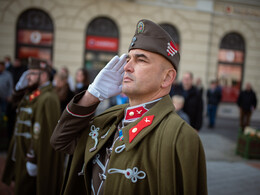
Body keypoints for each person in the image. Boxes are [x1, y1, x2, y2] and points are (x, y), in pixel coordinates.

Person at [51, 19, 207, 195]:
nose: (126, 67)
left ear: (167, 78)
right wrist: (92, 95)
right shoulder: (108, 119)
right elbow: (60, 141)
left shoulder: (180, 136)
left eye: (141, 60)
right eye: (128, 59)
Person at [2, 57, 64, 195]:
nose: (27, 77)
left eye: (31, 73)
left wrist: (32, 157)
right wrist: (18, 89)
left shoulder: (48, 97)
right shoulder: (35, 93)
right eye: (27, 73)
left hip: (33, 156)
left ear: (43, 75)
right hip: (22, 152)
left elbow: (43, 133)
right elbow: (15, 107)